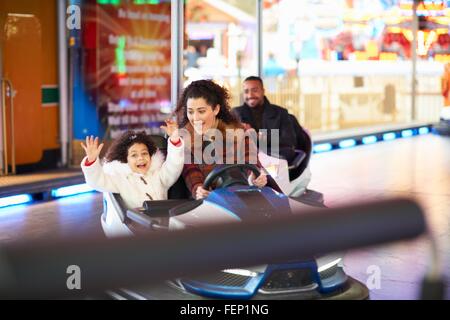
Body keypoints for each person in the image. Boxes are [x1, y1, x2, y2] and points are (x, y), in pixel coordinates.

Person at [174, 79, 267, 200]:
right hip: (210, 205)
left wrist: (256, 178)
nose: (195, 118)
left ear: (216, 109)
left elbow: (253, 164)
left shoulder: (238, 132)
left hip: (243, 198)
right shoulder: (185, 140)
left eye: (201, 111)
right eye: (190, 112)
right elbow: (192, 175)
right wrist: (199, 190)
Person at [80, 120, 184, 209]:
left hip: (164, 225)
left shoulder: (159, 175)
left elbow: (173, 166)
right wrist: (91, 161)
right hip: (136, 227)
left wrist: (175, 141)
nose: (140, 158)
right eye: (134, 155)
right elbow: (97, 181)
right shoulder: (120, 179)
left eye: (144, 153)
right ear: (125, 159)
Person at [233, 76, 297, 163]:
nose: (250, 95)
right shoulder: (235, 113)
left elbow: (289, 140)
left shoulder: (280, 113)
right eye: (246, 91)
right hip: (247, 162)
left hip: (274, 159)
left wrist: (261, 138)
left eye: (254, 90)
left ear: (263, 91)